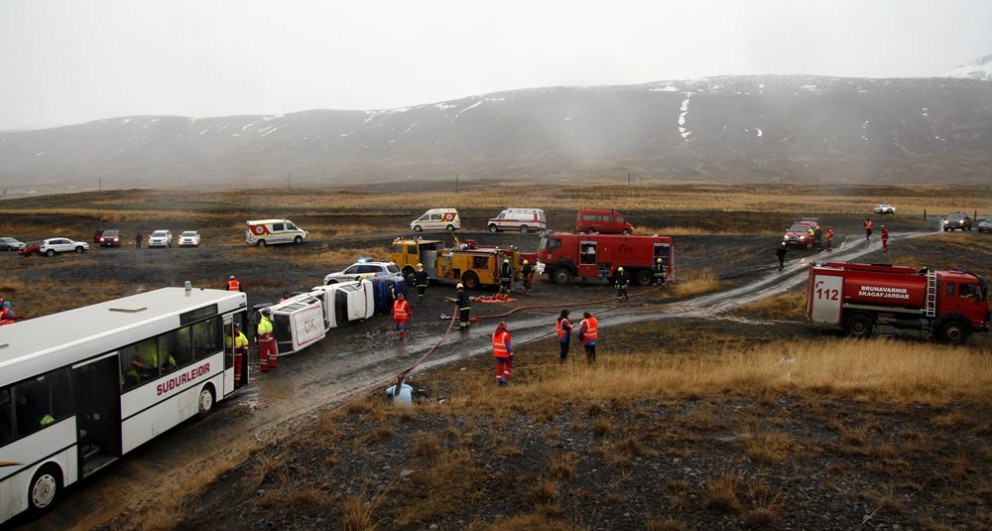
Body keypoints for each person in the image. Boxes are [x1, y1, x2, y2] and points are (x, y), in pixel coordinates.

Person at [225, 323, 249, 388]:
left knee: (238, 370)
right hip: (229, 356)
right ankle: (230, 384)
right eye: (236, 328)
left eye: (238, 328)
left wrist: (244, 349)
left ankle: (237, 384)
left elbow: (246, 343)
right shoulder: (226, 336)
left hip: (238, 356)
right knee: (230, 370)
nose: (237, 329)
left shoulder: (241, 335)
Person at [492, 321, 513, 386]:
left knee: (499, 369)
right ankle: (503, 379)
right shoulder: (506, 335)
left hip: (497, 354)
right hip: (505, 355)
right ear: (505, 328)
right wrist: (511, 354)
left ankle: (498, 382)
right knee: (509, 366)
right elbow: (508, 346)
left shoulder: (494, 334)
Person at [257, 307, 276, 371]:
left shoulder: (267, 320)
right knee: (264, 354)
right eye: (268, 314)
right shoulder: (262, 321)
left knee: (273, 351)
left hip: (270, 339)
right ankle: (263, 367)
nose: (269, 315)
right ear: (266, 314)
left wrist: (272, 336)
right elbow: (261, 332)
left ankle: (272, 364)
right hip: (264, 341)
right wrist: (268, 337)